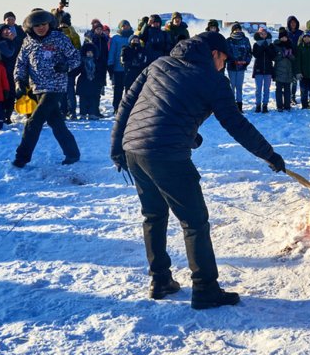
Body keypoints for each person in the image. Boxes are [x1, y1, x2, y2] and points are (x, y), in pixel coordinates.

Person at [110, 31, 286, 307]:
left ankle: (160, 279)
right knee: (195, 222)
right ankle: (205, 288)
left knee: (154, 216)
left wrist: (117, 149)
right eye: (224, 60)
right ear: (214, 53)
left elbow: (129, 105)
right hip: (167, 155)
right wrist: (269, 155)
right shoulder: (213, 80)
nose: (223, 67)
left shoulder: (159, 64)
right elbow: (236, 124)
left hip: (134, 149)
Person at [12, 10, 82, 167]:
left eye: (43, 24)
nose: (41, 28)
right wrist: (19, 81)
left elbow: (76, 58)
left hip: (56, 86)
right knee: (56, 122)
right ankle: (73, 153)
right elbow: (21, 63)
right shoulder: (28, 42)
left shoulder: (59, 38)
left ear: (49, 24)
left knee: (34, 122)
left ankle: (21, 158)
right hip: (36, 87)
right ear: (30, 27)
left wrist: (66, 66)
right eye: (36, 25)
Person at [0, 25, 20, 124]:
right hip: (3, 72)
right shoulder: (1, 43)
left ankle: (7, 116)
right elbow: (9, 53)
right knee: (5, 94)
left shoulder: (12, 41)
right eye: (4, 30)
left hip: (12, 71)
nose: (7, 32)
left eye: (8, 30)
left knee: (11, 94)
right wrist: (11, 41)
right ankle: (3, 115)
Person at [225, 23, 252, 112]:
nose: (237, 31)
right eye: (235, 29)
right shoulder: (228, 40)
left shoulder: (245, 40)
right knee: (231, 86)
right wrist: (230, 61)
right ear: (232, 31)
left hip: (241, 68)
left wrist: (246, 63)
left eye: (239, 29)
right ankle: (232, 106)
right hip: (231, 67)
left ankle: (239, 106)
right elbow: (226, 53)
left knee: (239, 86)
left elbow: (249, 53)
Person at [108, 20, 133, 113]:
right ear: (120, 27)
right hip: (118, 68)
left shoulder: (132, 37)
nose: (125, 27)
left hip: (130, 68)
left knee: (129, 89)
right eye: (123, 26)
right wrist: (110, 64)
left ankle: (127, 107)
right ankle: (116, 107)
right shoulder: (116, 38)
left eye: (127, 26)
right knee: (118, 89)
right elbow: (112, 52)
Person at [76, 35, 103, 119]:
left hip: (94, 82)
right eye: (88, 52)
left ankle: (92, 113)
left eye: (91, 52)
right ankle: (83, 113)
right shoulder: (81, 61)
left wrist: (101, 81)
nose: (89, 54)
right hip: (84, 82)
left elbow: (100, 72)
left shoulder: (97, 62)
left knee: (93, 99)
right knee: (83, 99)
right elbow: (77, 70)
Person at [251, 26, 275, 113]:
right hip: (258, 69)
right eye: (261, 33)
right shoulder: (256, 44)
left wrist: (267, 47)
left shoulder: (271, 44)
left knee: (266, 89)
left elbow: (273, 56)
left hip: (268, 69)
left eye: (264, 33)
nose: (263, 35)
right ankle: (258, 105)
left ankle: (265, 105)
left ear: (267, 34)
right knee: (258, 89)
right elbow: (256, 55)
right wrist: (262, 47)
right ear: (259, 34)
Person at [273, 29, 295, 111]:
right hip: (279, 71)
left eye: (285, 37)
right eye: (282, 37)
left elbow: (294, 58)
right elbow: (273, 57)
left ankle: (287, 105)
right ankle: (279, 106)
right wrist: (281, 55)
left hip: (288, 71)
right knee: (278, 89)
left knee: (287, 90)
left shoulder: (290, 45)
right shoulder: (276, 45)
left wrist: (290, 55)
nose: (284, 38)